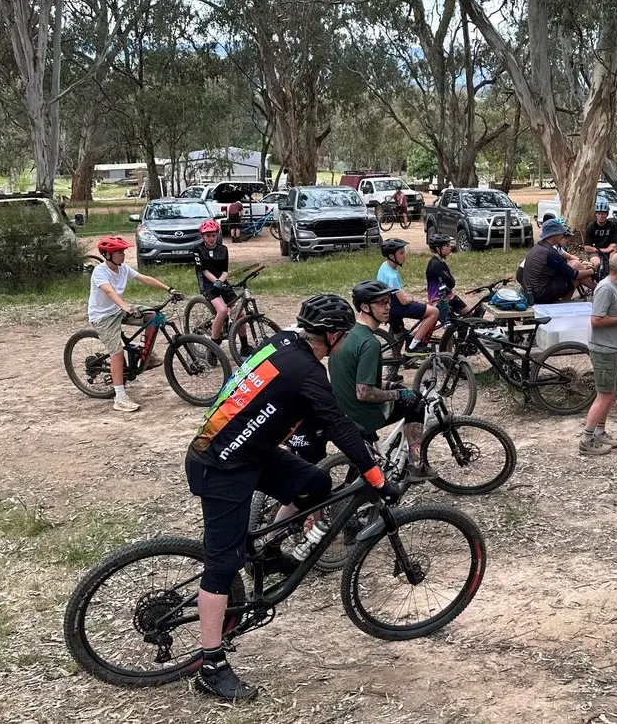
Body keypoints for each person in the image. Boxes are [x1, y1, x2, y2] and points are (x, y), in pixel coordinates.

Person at [185, 295, 401, 700]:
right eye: (345, 335)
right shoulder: (307, 371)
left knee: (316, 484)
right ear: (334, 336)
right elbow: (335, 421)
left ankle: (264, 552)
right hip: (221, 465)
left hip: (247, 452)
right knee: (222, 565)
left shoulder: (281, 340)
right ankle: (211, 665)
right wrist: (375, 476)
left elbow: (316, 414)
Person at [328, 280, 435, 481]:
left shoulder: (346, 334)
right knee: (416, 402)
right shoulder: (369, 343)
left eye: (388, 301)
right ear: (365, 307)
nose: (388, 307)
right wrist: (400, 393)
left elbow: (355, 378)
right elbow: (364, 392)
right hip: (363, 414)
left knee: (401, 392)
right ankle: (416, 465)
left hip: (342, 407)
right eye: (382, 303)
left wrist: (391, 387)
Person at [88, 235, 183, 413]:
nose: (123, 255)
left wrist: (169, 289)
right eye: (119, 252)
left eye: (123, 252)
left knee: (153, 316)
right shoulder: (100, 271)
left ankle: (147, 354)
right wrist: (125, 306)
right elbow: (109, 291)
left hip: (118, 310)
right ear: (107, 255)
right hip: (103, 316)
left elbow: (145, 278)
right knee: (116, 353)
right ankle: (120, 398)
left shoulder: (123, 268)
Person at [581, 253, 617, 455]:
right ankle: (587, 440)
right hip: (603, 349)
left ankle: (600, 432)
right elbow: (596, 320)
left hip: (614, 348)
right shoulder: (606, 288)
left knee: (611, 393)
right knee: (604, 395)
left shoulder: (615, 288)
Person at [376, 239, 438, 353]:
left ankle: (397, 356)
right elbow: (404, 301)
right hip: (396, 307)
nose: (404, 256)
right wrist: (412, 298)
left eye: (404, 252)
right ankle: (413, 346)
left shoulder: (384, 266)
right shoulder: (392, 276)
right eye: (401, 253)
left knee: (401, 334)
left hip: (389, 304)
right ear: (391, 255)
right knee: (434, 312)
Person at [522, 220, 593, 303]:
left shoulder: (539, 247)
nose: (562, 235)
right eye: (560, 233)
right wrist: (592, 271)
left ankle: (593, 288)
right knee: (574, 278)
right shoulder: (550, 252)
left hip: (531, 292)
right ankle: (565, 303)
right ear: (553, 234)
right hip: (540, 295)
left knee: (574, 268)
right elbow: (573, 275)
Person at [194, 219, 233, 344]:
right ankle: (214, 343)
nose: (211, 238)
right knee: (222, 310)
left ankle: (244, 344)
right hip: (208, 284)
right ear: (202, 236)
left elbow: (225, 271)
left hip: (222, 281)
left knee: (240, 312)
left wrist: (221, 281)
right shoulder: (198, 250)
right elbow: (204, 271)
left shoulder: (223, 249)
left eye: (214, 235)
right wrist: (216, 281)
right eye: (208, 236)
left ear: (217, 235)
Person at [425, 233, 472, 322]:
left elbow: (450, 282)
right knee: (452, 325)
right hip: (438, 300)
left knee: (470, 314)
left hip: (448, 295)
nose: (450, 248)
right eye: (447, 246)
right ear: (438, 248)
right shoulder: (435, 264)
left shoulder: (441, 262)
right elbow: (451, 281)